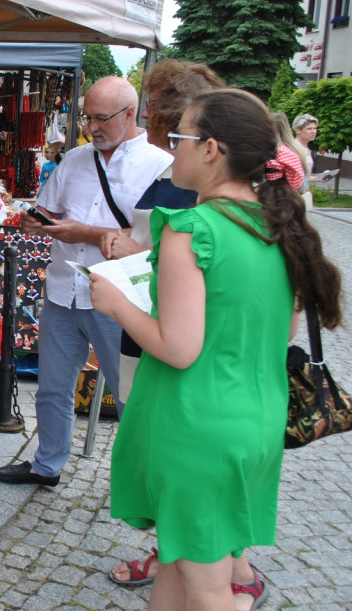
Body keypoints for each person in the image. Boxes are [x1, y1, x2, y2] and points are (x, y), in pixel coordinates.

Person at [92, 89, 342, 611]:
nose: (170, 146)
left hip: (195, 425)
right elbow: (283, 327)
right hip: (253, 417)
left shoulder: (192, 229)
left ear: (211, 149)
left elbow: (178, 348)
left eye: (180, 136)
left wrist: (115, 302)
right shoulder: (276, 227)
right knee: (179, 570)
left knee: (210, 594)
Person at [0, 76, 171, 487]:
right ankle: (46, 464)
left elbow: (158, 243)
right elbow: (47, 212)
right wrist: (35, 223)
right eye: (86, 116)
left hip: (120, 300)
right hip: (63, 291)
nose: (91, 126)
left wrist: (85, 233)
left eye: (100, 118)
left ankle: (142, 481)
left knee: (132, 396)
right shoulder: (74, 158)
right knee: (53, 388)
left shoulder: (160, 165)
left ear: (130, 113)